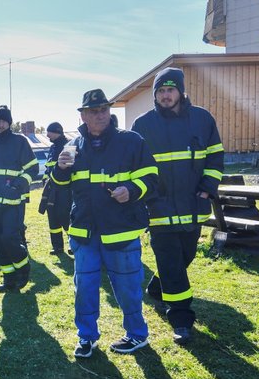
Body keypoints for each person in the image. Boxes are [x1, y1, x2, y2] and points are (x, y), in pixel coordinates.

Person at [52, 90, 158, 357]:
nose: (100, 115)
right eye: (93, 111)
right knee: (84, 290)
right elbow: (61, 186)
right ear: (83, 115)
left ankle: (137, 335)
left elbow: (152, 177)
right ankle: (86, 337)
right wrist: (60, 169)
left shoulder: (131, 141)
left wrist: (132, 190)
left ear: (110, 112)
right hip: (84, 232)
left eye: (104, 110)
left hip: (121, 231)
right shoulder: (73, 146)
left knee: (127, 289)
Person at [132, 67, 224, 346]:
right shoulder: (143, 124)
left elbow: (215, 158)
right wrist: (146, 196)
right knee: (172, 263)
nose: (165, 95)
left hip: (193, 205)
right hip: (158, 209)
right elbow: (135, 166)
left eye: (170, 90)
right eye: (160, 91)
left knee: (185, 257)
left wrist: (207, 189)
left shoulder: (203, 119)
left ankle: (159, 286)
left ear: (181, 91)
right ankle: (181, 320)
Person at [0, 106, 39, 292]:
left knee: (10, 237)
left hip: (14, 201)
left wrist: (18, 185)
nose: (1, 124)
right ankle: (9, 279)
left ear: (9, 122)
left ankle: (23, 268)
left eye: (4, 121)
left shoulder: (19, 141)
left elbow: (33, 168)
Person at [40, 122, 72, 255]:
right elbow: (49, 167)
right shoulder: (52, 148)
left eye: (49, 132)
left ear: (57, 131)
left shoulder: (69, 146)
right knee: (52, 218)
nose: (47, 135)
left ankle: (73, 244)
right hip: (51, 190)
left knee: (67, 217)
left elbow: (69, 169)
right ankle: (57, 247)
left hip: (65, 190)